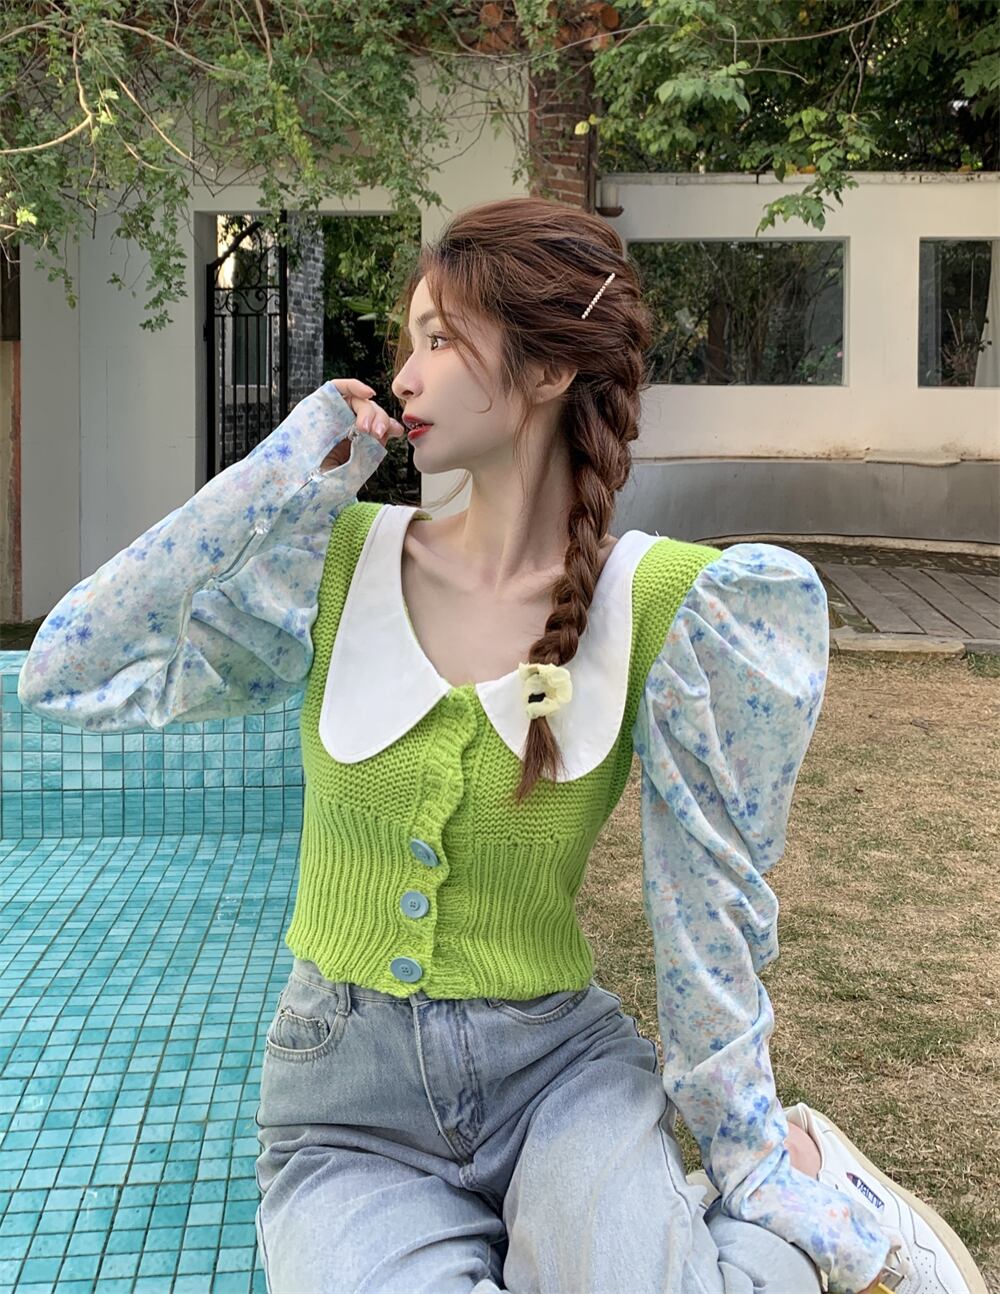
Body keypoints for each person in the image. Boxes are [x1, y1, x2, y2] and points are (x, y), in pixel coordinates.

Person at [18, 197, 986, 1294]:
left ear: (548, 370)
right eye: (410, 341)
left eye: (440, 340)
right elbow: (69, 667)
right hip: (348, 1111)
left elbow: (703, 913)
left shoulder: (671, 607)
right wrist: (278, 470)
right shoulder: (331, 562)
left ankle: (819, 1196)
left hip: (559, 1076)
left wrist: (748, 1144)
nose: (404, 377)